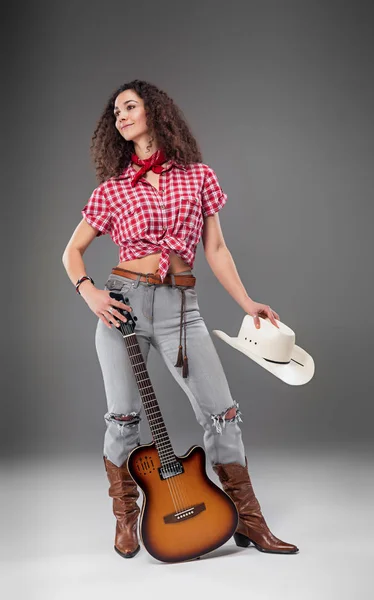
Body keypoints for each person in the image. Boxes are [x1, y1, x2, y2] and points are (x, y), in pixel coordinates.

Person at [62, 79, 298, 559]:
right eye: (115, 112)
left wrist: (247, 303)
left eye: (129, 106)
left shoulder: (198, 177)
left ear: (155, 111)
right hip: (122, 306)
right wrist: (89, 293)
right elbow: (72, 252)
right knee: (124, 418)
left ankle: (250, 522)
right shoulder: (112, 189)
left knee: (222, 414)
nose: (120, 116)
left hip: (181, 310)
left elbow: (215, 249)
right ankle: (126, 516)